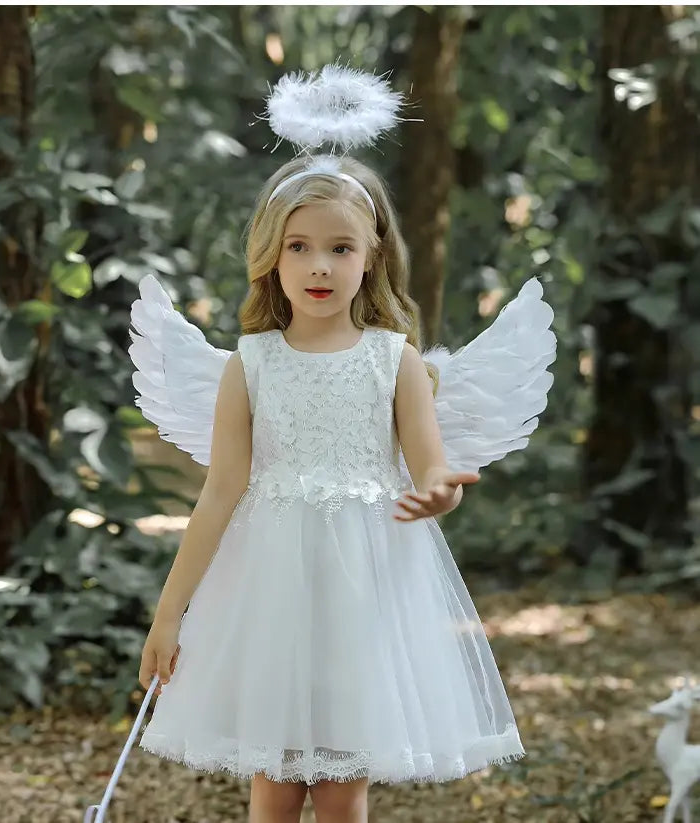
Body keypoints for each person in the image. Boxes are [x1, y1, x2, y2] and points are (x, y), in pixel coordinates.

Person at [134, 149, 528, 823]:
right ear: (272, 256)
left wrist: (440, 491)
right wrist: (170, 613)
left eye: (340, 247)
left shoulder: (393, 362)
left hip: (363, 594)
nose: (320, 265)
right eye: (300, 246)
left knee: (344, 785)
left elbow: (431, 466)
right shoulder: (250, 365)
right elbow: (221, 492)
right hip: (270, 594)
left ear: (371, 255)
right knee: (276, 783)